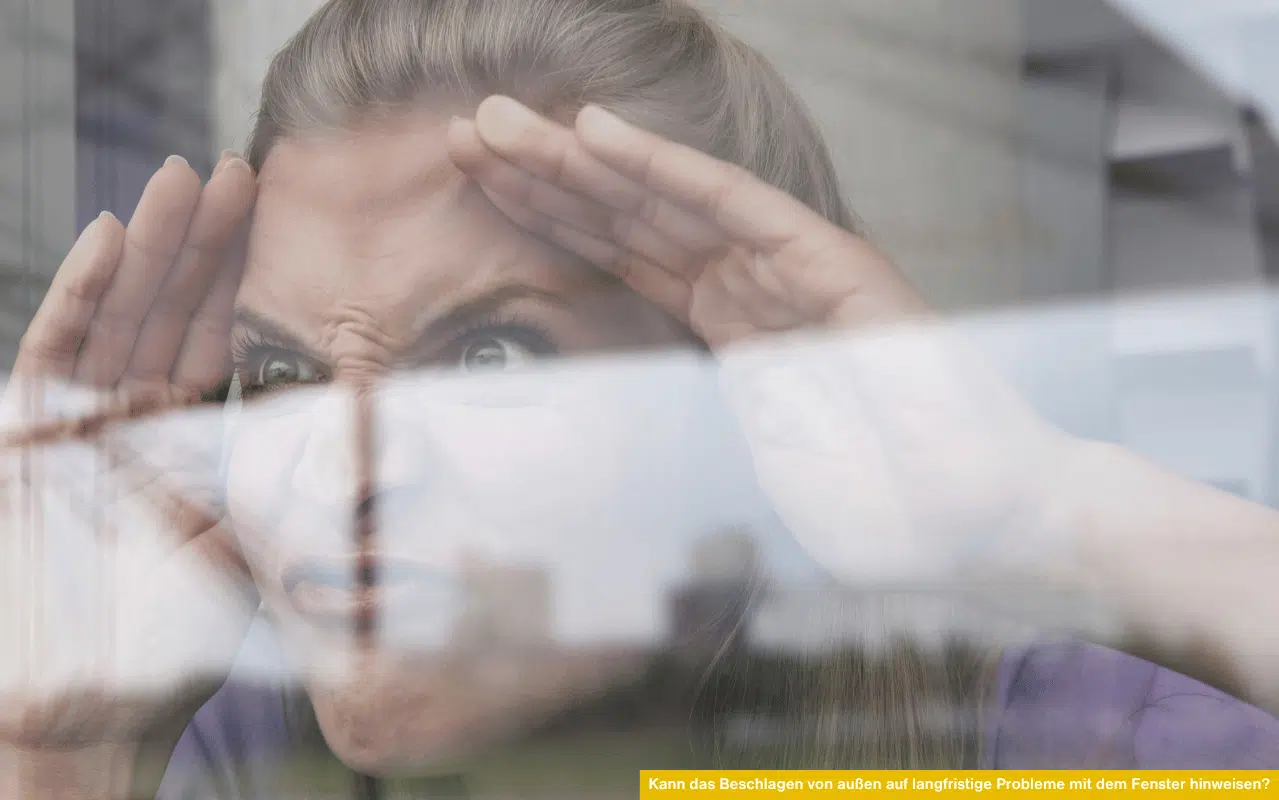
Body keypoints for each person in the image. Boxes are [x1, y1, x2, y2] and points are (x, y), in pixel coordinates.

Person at [2, 0, 1278, 797]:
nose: (337, 481)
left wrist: (1044, 509)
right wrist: (62, 764)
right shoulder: (220, 747)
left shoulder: (1074, 751)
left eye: (491, 359)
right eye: (277, 374)